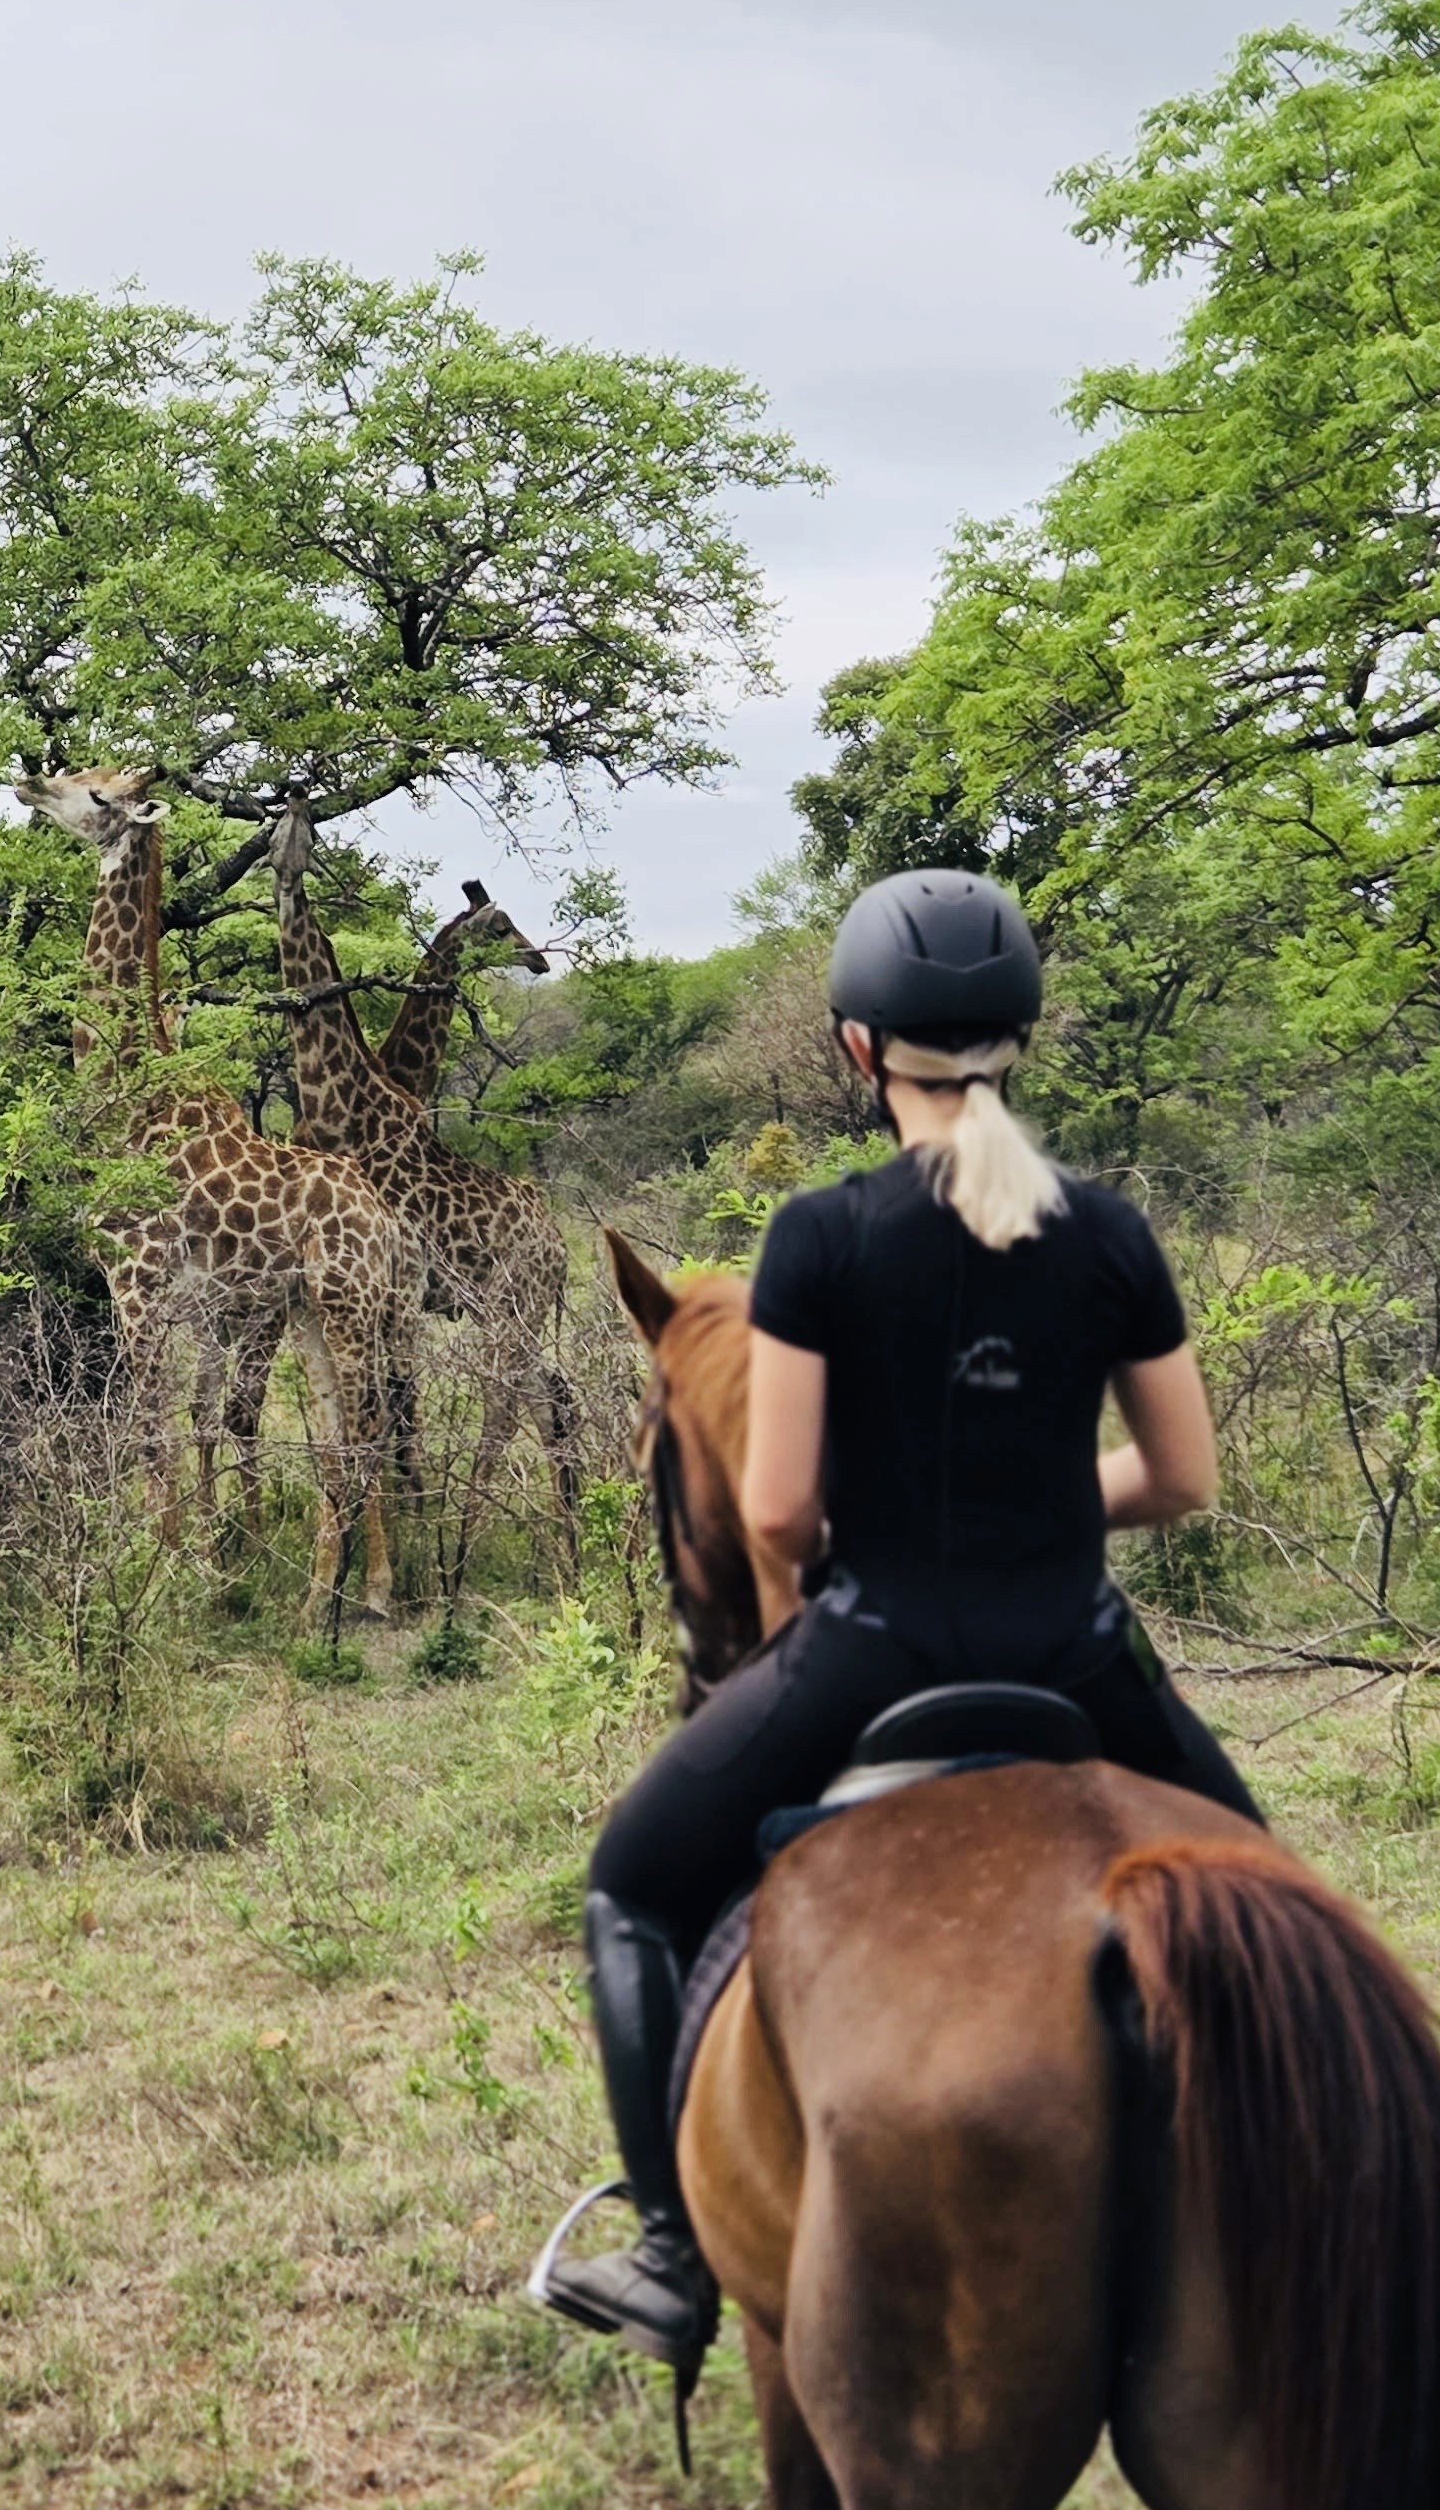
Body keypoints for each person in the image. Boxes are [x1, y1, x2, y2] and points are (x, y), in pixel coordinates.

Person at [533, 867, 1265, 2383]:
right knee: (1274, 1911)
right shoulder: (1113, 1233)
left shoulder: (820, 1238)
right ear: (1021, 1043)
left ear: (862, 1053)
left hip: (871, 1649)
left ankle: (671, 2248)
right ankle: (1291, 2211)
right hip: (1077, 1653)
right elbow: (1183, 1478)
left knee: (627, 1885)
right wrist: (1045, 1510)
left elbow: (785, 1517)